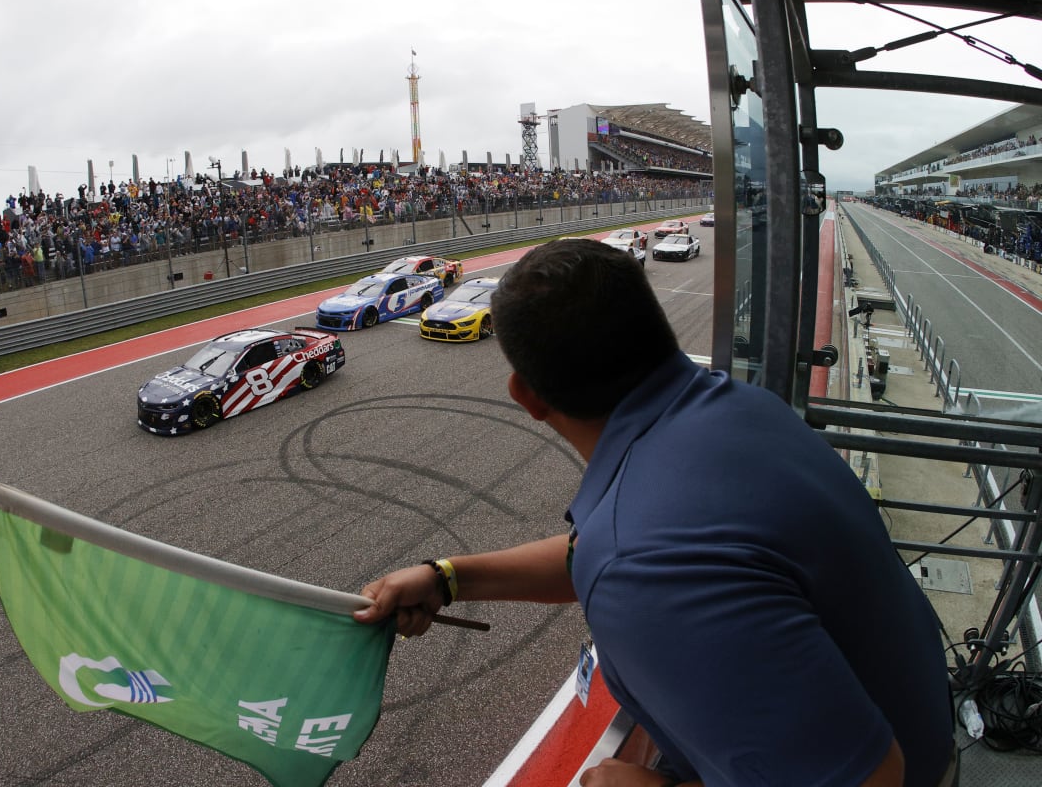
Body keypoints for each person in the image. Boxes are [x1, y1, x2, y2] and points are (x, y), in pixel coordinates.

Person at [355, 238, 955, 787]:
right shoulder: (740, 408)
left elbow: (870, 781)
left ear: (527, 397)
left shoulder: (645, 560)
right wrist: (449, 577)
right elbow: (608, 550)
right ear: (655, 328)